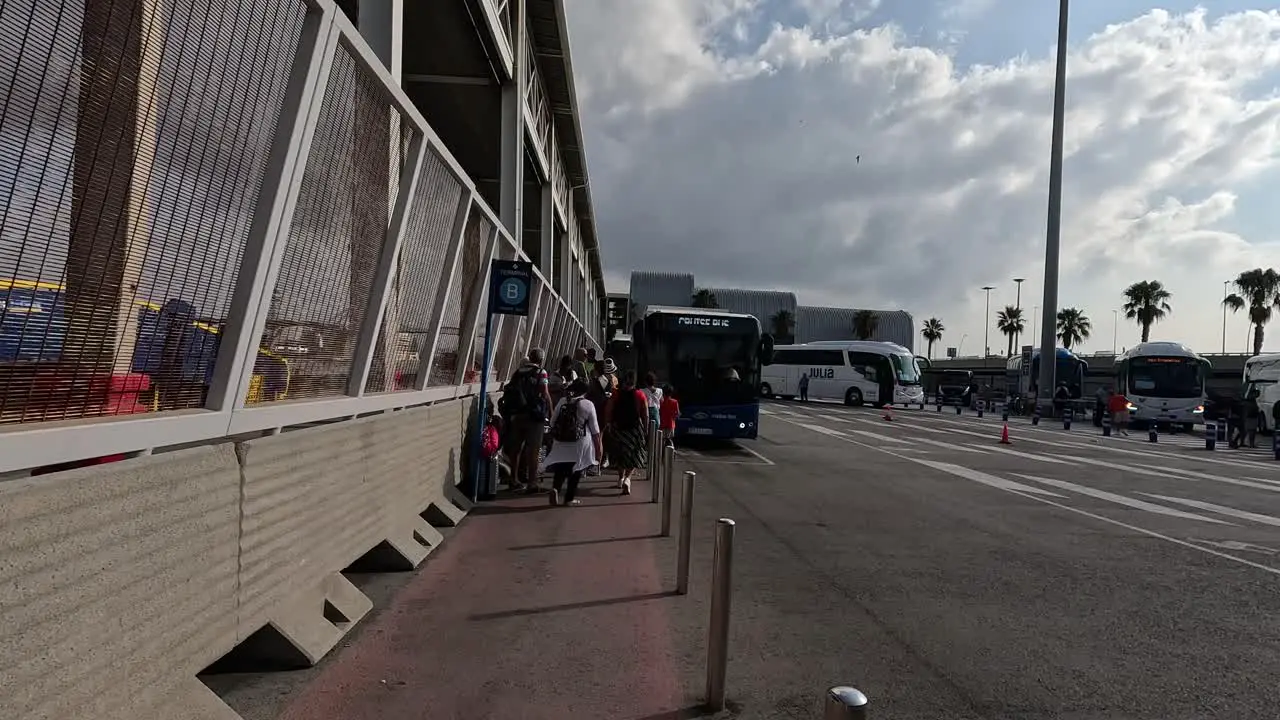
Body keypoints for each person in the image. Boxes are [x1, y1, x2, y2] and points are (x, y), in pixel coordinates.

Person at [499, 347, 553, 493]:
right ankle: (532, 483)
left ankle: (513, 480)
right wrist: (551, 412)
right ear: (541, 359)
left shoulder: (518, 373)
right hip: (535, 416)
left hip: (517, 415)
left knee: (516, 449)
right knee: (533, 450)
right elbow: (545, 393)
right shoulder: (541, 373)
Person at [543, 379, 603, 506]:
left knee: (560, 467)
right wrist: (598, 451)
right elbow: (595, 431)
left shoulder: (563, 401)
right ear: (585, 392)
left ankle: (555, 489)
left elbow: (553, 422)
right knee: (576, 470)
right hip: (580, 442)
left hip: (561, 441)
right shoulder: (588, 404)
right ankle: (569, 498)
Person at [605, 370, 649, 494]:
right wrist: (645, 430)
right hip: (634, 429)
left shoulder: (616, 393)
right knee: (634, 454)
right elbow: (645, 414)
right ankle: (628, 479)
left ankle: (620, 478)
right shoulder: (640, 395)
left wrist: (608, 423)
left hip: (618, 428)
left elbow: (609, 409)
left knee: (620, 454)